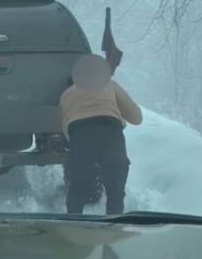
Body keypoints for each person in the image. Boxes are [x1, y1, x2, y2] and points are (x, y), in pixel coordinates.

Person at [60, 54, 142, 214]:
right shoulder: (109, 85)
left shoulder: (65, 96)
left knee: (77, 188)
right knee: (115, 191)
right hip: (110, 133)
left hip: (80, 135)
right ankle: (114, 227)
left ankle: (72, 226)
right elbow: (136, 118)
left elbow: (66, 129)